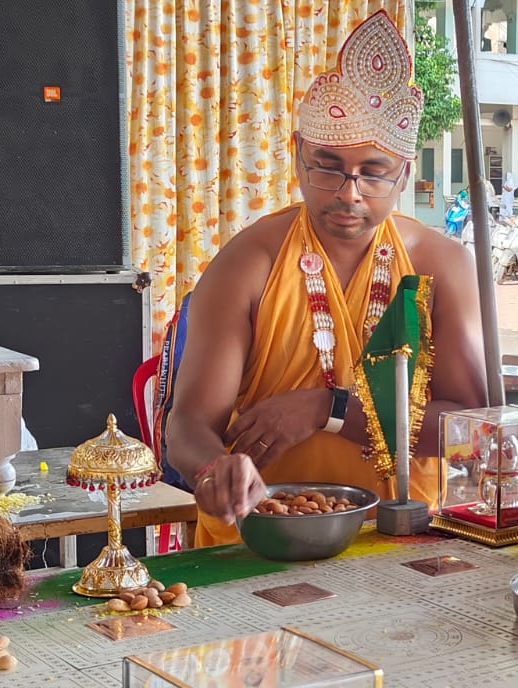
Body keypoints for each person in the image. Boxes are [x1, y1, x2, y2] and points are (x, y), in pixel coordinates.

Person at [164, 11, 488, 545]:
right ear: (298, 156)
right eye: (328, 166)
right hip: (262, 537)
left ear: (405, 173)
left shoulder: (442, 264)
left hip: (402, 538)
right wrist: (212, 469)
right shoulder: (249, 262)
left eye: (374, 173)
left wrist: (329, 409)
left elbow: (468, 430)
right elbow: (188, 425)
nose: (348, 193)